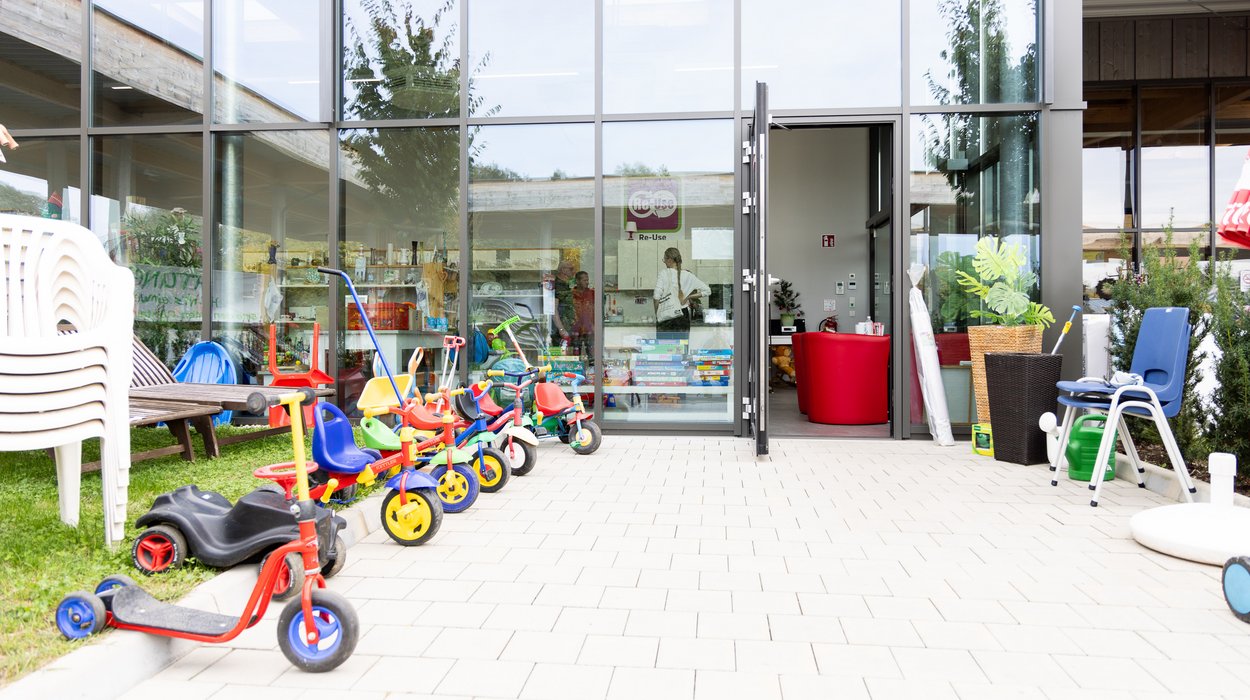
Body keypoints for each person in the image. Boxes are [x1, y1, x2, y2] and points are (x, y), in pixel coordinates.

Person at [653, 246, 709, 338]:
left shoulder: (664, 273)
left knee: (663, 348)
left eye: (664, 259)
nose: (664, 262)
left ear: (670, 260)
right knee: (682, 348)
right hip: (683, 315)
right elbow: (707, 291)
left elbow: (656, 297)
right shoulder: (688, 275)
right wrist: (688, 297)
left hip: (666, 314)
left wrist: (657, 313)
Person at [551, 259, 576, 348]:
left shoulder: (566, 284)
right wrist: (561, 329)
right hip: (560, 331)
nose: (574, 272)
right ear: (563, 270)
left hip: (568, 327)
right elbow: (553, 309)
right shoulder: (557, 285)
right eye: (571, 269)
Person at [571, 270, 594, 359]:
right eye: (584, 280)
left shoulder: (592, 293)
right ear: (577, 281)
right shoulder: (571, 294)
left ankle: (593, 371)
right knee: (575, 355)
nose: (587, 282)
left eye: (587, 280)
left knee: (592, 355)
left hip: (590, 328)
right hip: (575, 329)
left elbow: (597, 310)